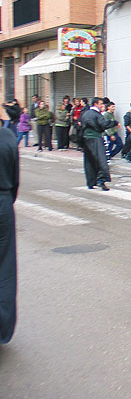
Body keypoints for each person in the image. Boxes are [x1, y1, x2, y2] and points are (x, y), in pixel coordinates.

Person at [0, 127, 18, 344]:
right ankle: (3, 329)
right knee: (4, 268)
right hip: (3, 202)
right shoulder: (6, 136)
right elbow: (15, 179)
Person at [81, 97, 117, 191]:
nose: (103, 106)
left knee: (89, 161)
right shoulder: (97, 115)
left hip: (86, 139)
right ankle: (101, 180)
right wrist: (114, 123)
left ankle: (91, 182)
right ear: (96, 104)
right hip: (96, 138)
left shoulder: (85, 113)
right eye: (101, 104)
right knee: (101, 160)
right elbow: (103, 125)